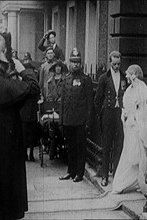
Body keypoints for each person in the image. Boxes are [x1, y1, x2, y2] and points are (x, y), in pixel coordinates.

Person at [0, 32, 40, 220]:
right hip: (8, 162)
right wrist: (22, 68)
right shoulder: (11, 86)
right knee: (9, 212)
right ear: (6, 65)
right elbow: (34, 87)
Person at [111, 64, 147, 195]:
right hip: (130, 126)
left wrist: (136, 119)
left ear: (134, 76)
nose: (127, 76)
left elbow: (145, 110)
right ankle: (125, 182)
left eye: (129, 74)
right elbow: (127, 106)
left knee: (139, 155)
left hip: (138, 127)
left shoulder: (142, 89)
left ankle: (140, 182)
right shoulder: (129, 90)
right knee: (129, 154)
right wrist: (126, 115)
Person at [59, 48, 93, 182]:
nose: (76, 65)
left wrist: (88, 122)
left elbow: (90, 103)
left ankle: (79, 173)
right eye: (73, 62)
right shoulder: (66, 79)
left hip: (80, 121)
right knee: (71, 147)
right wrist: (61, 121)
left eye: (78, 62)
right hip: (68, 121)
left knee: (80, 148)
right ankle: (70, 171)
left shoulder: (86, 80)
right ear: (69, 63)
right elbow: (63, 102)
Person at [94, 51, 127, 187]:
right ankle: (104, 175)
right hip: (108, 114)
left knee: (119, 145)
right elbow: (98, 99)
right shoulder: (104, 78)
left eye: (118, 64)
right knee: (106, 145)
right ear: (110, 62)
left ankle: (117, 175)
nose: (116, 67)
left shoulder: (124, 76)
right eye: (114, 64)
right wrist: (99, 114)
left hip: (120, 114)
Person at [45, 60, 67, 160]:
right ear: (54, 69)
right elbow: (48, 94)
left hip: (61, 106)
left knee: (61, 124)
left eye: (60, 67)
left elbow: (66, 92)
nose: (58, 68)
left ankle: (58, 145)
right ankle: (52, 146)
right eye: (56, 67)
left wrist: (61, 98)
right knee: (51, 123)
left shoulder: (65, 80)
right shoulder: (50, 81)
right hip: (53, 106)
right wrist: (51, 99)